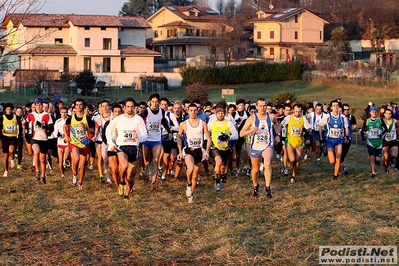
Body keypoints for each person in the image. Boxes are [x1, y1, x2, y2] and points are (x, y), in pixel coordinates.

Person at [106, 98, 147, 202]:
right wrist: (111, 143)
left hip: (134, 147)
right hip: (122, 147)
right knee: (123, 165)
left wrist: (138, 137)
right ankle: (122, 182)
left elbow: (145, 135)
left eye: (132, 106)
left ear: (135, 107)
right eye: (128, 107)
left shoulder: (139, 119)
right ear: (123, 108)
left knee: (131, 176)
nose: (130, 109)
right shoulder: (118, 119)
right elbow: (108, 130)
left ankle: (127, 195)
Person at [240, 98, 280, 198]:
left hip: (268, 145)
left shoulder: (271, 117)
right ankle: (255, 186)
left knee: (267, 163)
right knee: (255, 169)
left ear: (267, 107)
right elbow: (241, 133)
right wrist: (251, 130)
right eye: (260, 106)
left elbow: (277, 124)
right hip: (255, 146)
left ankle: (268, 187)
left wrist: (277, 135)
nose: (262, 108)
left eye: (264, 106)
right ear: (257, 107)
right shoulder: (252, 119)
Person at [177, 103, 211, 203]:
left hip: (199, 151)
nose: (193, 112)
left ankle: (191, 194)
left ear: (198, 111)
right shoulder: (184, 124)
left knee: (195, 176)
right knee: (190, 169)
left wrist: (207, 151)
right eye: (191, 110)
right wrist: (180, 151)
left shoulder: (202, 123)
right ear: (188, 111)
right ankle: (188, 184)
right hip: (189, 150)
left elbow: (209, 139)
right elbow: (179, 137)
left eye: (195, 110)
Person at [140, 93, 172, 191]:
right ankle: (150, 173)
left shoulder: (161, 112)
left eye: (156, 102)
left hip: (157, 140)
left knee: (156, 159)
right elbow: (139, 121)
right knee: (147, 161)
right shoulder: (145, 111)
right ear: (149, 102)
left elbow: (163, 122)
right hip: (146, 139)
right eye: (152, 101)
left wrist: (169, 131)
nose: (154, 103)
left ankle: (153, 181)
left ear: (158, 102)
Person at [64, 99, 94, 189]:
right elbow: (65, 126)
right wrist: (66, 135)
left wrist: (86, 129)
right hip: (74, 142)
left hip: (84, 143)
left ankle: (80, 182)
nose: (78, 106)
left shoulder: (87, 118)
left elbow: (93, 131)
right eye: (77, 105)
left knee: (82, 165)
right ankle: (74, 174)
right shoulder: (71, 118)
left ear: (83, 106)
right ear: (74, 106)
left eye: (80, 105)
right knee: (76, 158)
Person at [208, 105, 238, 191]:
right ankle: (217, 183)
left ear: (224, 114)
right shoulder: (211, 124)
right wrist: (207, 139)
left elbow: (236, 135)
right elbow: (205, 132)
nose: (220, 115)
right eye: (219, 113)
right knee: (218, 161)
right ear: (216, 114)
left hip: (225, 148)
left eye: (222, 113)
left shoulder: (228, 123)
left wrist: (228, 137)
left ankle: (223, 175)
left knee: (223, 165)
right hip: (215, 147)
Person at [280, 104, 312, 183]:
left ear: (301, 111)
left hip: (299, 141)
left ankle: (293, 176)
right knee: (292, 159)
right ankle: (286, 159)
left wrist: (304, 130)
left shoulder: (303, 118)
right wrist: (281, 135)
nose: (297, 113)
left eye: (299, 112)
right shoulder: (288, 118)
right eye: (296, 111)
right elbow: (281, 125)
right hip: (290, 140)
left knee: (297, 160)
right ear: (293, 111)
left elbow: (309, 128)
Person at [319, 100, 349, 180]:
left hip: (339, 140)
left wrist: (346, 136)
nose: (336, 107)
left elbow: (346, 127)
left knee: (338, 157)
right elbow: (320, 126)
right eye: (334, 105)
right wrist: (321, 138)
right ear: (331, 107)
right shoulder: (327, 116)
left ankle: (335, 175)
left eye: (337, 105)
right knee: (332, 161)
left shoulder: (343, 117)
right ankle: (328, 153)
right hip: (330, 140)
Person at [25, 98, 54, 183]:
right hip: (34, 138)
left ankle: (42, 176)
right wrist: (27, 130)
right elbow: (26, 122)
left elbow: (51, 127)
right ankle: (37, 170)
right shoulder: (31, 114)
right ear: (34, 106)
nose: (38, 107)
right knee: (36, 152)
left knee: (42, 159)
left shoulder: (47, 115)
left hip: (44, 139)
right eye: (37, 105)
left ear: (43, 106)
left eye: (40, 105)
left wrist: (43, 127)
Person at [0, 103, 21, 177]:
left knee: (11, 150)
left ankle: (12, 158)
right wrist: (1, 130)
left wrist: (20, 135)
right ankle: (6, 171)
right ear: (5, 110)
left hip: (13, 137)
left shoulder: (16, 117)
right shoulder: (2, 117)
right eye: (7, 109)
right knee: (5, 156)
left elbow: (20, 126)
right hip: (5, 137)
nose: (8, 111)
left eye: (10, 109)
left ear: (12, 110)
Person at [53, 107, 70, 178]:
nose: (64, 114)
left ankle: (65, 162)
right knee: (60, 159)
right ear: (60, 113)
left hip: (67, 142)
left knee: (65, 157)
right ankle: (62, 174)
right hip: (60, 142)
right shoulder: (58, 121)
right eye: (62, 112)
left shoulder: (69, 120)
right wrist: (57, 135)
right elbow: (55, 132)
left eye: (65, 112)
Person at [341, 104, 357, 175]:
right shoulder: (340, 117)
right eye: (345, 109)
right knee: (339, 152)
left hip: (348, 137)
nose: (346, 111)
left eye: (347, 109)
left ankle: (342, 162)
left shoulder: (352, 117)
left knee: (344, 153)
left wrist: (351, 129)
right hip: (340, 137)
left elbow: (355, 127)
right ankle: (344, 166)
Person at [381, 108, 398, 173]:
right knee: (386, 157)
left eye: (390, 113)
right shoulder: (382, 121)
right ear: (384, 114)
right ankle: (386, 169)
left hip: (393, 141)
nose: (388, 115)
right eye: (387, 113)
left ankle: (390, 157)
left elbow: (398, 127)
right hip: (385, 141)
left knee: (394, 155)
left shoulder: (395, 121)